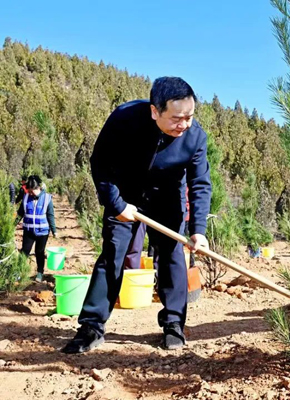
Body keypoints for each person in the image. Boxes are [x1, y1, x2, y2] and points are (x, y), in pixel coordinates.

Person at [62, 77, 212, 354]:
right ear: (155, 111)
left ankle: (173, 324)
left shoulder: (195, 137)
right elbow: (100, 163)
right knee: (113, 254)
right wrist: (117, 204)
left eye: (190, 117)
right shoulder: (124, 119)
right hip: (124, 192)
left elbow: (200, 184)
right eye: (177, 118)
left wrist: (198, 230)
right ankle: (91, 327)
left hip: (168, 197)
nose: (185, 124)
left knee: (170, 256)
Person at [16, 175, 57, 282]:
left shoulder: (47, 198)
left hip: (42, 232)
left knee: (39, 252)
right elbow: (20, 213)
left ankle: (40, 272)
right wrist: (12, 225)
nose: (29, 193)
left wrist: (54, 230)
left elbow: (50, 215)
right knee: (24, 252)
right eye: (28, 191)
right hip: (28, 231)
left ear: (37, 188)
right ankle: (17, 273)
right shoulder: (25, 197)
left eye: (31, 191)